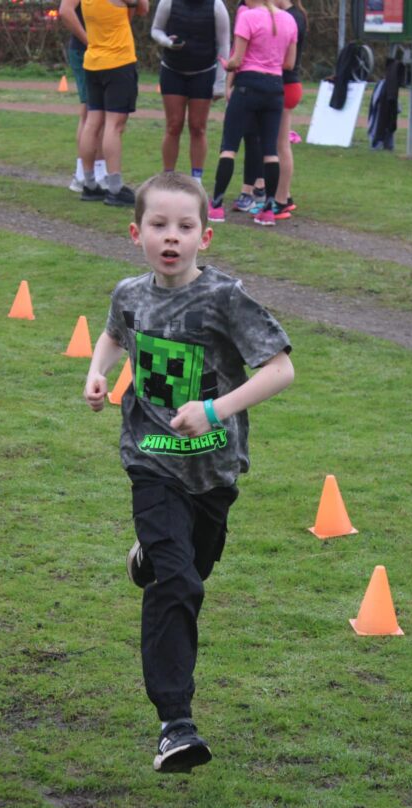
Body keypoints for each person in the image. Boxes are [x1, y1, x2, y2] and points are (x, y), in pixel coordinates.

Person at [83, 172, 294, 772]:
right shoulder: (130, 293)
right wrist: (98, 372)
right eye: (158, 225)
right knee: (178, 586)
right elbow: (115, 334)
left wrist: (213, 410)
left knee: (191, 569)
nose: (170, 237)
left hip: (214, 470)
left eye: (184, 226)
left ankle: (150, 555)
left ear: (206, 236)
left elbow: (280, 370)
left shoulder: (225, 300)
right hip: (150, 459)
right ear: (136, 233)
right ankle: (175, 724)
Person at [208, 0, 297, 226]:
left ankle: (216, 206)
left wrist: (227, 65)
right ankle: (267, 210)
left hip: (248, 85)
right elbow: (289, 63)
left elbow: (237, 60)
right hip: (275, 88)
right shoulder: (289, 19)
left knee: (229, 147)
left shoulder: (247, 17)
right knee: (270, 151)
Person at [59, 0, 149, 206]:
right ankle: (115, 187)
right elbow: (143, 8)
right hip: (118, 61)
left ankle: (89, 183)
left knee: (92, 122)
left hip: (93, 61)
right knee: (114, 125)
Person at [151, 0, 231, 179]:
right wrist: (167, 42)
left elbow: (224, 44)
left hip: (204, 72)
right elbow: (156, 29)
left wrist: (220, 82)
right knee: (173, 125)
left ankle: (196, 179)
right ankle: (168, 177)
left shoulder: (217, 6)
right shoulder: (168, 2)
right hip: (172, 70)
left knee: (198, 127)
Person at [63, 2, 107, 192]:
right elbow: (65, 11)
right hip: (85, 52)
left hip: (106, 51)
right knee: (92, 112)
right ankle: (83, 175)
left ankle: (98, 172)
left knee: (101, 112)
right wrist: (89, 41)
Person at [273, 0, 306, 217]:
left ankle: (281, 200)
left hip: (286, 85)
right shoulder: (295, 15)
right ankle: (285, 195)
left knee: (281, 145)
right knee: (279, 144)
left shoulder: (292, 17)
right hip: (288, 85)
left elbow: (285, 58)